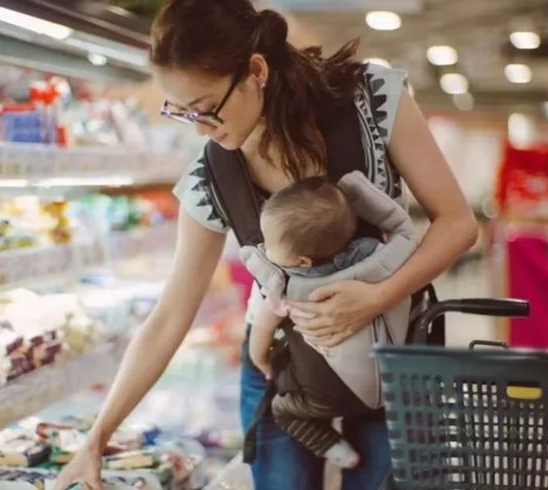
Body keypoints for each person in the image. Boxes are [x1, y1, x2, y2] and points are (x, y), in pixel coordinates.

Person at [55, 1, 477, 489]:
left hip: (396, 354)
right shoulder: (211, 177)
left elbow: (457, 224)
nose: (199, 127)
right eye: (182, 112)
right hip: (286, 372)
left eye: (207, 106)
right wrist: (96, 437)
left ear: (256, 70)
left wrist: (376, 297)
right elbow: (172, 312)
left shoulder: (372, 98)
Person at [245, 173, 414, 471]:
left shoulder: (283, 285)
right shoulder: (379, 256)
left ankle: (333, 447)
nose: (264, 247)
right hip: (389, 387)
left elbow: (262, 330)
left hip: (323, 399)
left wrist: (262, 362)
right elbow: (403, 229)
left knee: (282, 411)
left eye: (269, 244)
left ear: (302, 262)